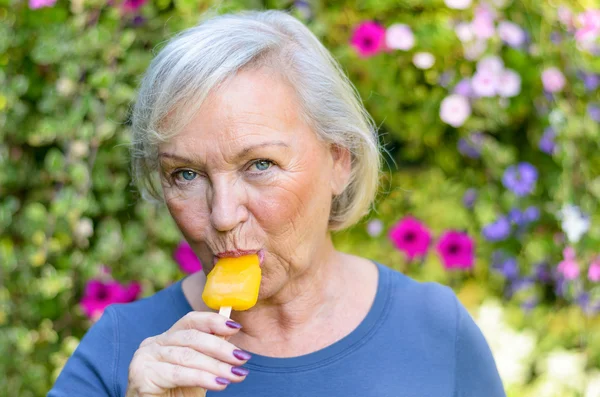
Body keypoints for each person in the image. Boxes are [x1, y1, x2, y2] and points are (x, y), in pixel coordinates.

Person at [48, 9, 506, 397]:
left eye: (260, 164)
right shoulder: (119, 350)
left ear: (338, 160)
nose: (223, 215)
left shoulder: (437, 331)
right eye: (185, 174)